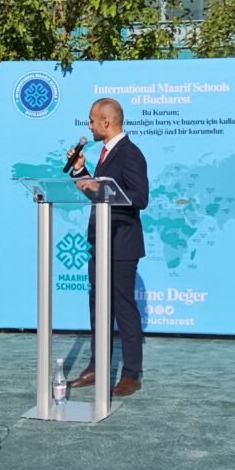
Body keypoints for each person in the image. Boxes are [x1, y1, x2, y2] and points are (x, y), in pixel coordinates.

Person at [65, 98, 149, 398]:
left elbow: (139, 197)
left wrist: (98, 186)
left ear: (106, 122)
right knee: (97, 306)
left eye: (91, 120)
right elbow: (100, 195)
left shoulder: (130, 153)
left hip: (122, 245)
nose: (88, 126)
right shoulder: (105, 153)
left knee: (123, 308)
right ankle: (97, 366)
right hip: (100, 243)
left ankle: (131, 374)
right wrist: (81, 172)